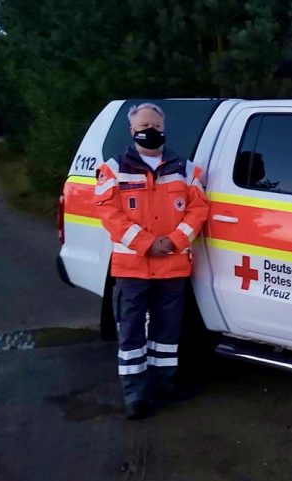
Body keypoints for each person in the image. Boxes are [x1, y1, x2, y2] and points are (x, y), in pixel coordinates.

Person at [94, 103, 209, 420]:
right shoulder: (113, 169)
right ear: (132, 131)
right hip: (132, 267)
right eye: (144, 125)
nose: (151, 130)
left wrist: (174, 241)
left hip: (172, 264)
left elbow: (198, 210)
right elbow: (109, 214)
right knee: (131, 332)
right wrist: (147, 243)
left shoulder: (186, 169)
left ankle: (163, 384)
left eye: (156, 125)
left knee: (168, 330)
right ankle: (135, 395)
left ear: (164, 127)